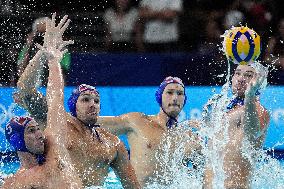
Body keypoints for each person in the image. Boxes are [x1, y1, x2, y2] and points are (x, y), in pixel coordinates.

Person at [14, 13, 140, 189]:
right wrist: (44, 54)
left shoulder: (113, 143)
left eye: (96, 101)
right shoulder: (57, 123)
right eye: (86, 99)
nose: (92, 104)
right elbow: (25, 90)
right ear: (73, 104)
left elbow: (133, 186)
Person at [2, 14, 83, 188]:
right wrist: (42, 53)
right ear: (18, 141)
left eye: (37, 129)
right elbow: (25, 89)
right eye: (32, 130)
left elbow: (55, 99)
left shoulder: (55, 147)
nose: (41, 134)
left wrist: (53, 60)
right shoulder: (12, 183)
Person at [97, 76, 202, 186]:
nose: (175, 98)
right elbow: (93, 123)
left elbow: (204, 177)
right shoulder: (137, 122)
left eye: (180, 93)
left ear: (184, 100)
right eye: (170, 93)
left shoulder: (189, 137)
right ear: (159, 97)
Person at [203, 64, 270, 189]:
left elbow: (253, 131)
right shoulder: (221, 112)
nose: (241, 78)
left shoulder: (258, 111)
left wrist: (250, 95)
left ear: (258, 82)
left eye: (249, 75)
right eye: (238, 73)